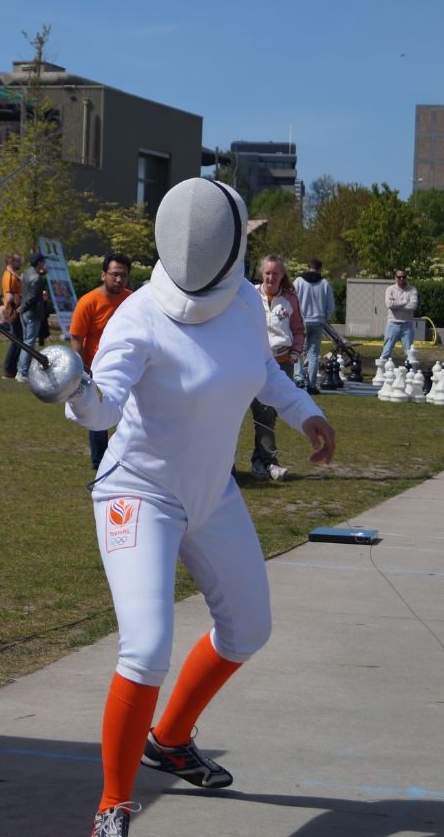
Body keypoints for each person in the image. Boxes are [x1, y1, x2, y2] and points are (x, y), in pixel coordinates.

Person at [65, 178, 335, 836]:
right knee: (146, 647)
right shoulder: (137, 317)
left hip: (212, 494)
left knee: (249, 628)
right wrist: (75, 390)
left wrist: (305, 412)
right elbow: (102, 407)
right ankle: (112, 807)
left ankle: (170, 738)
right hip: (138, 494)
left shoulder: (241, 301)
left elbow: (262, 371)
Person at [69, 253, 133, 470]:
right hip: (97, 369)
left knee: (129, 414)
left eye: (123, 275)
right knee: (98, 416)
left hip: (128, 367)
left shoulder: (132, 301)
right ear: (103, 275)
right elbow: (76, 339)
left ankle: (124, 460)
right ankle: (100, 463)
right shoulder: (88, 302)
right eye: (114, 274)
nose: (119, 279)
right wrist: (83, 370)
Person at [250, 254, 305, 481]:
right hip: (256, 362)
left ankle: (261, 461)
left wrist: (294, 354)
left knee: (270, 413)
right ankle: (268, 461)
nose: (271, 277)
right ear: (261, 273)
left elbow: (299, 329)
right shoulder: (251, 295)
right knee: (261, 411)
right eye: (267, 273)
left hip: (282, 363)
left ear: (282, 275)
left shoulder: (290, 299)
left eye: (275, 273)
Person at [292, 259, 335, 394]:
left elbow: (292, 300)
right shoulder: (325, 284)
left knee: (298, 350)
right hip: (317, 321)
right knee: (314, 354)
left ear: (308, 267)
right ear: (320, 269)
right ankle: (311, 384)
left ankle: (298, 378)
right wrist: (324, 317)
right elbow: (331, 306)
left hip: (302, 320)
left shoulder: (299, 282)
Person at [16, 252, 47, 383]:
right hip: (32, 313)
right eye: (43, 261)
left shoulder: (27, 272)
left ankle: (23, 370)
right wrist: (24, 307)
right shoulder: (37, 278)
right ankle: (22, 372)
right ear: (39, 262)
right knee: (29, 343)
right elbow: (32, 297)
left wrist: (22, 308)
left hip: (24, 312)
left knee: (26, 341)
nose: (44, 264)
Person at [381, 268, 419, 362]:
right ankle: (381, 368)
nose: (401, 279)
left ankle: (410, 370)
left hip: (407, 325)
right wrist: (405, 301)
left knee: (409, 352)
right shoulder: (390, 289)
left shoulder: (412, 289)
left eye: (403, 277)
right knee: (386, 351)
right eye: (399, 277)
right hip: (392, 324)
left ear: (406, 277)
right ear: (395, 277)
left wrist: (396, 304)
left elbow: (413, 306)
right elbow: (389, 305)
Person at [0, 252, 23, 378]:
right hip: (13, 311)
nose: (20, 263)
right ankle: (9, 369)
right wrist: (15, 308)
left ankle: (13, 368)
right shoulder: (8, 276)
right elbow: (9, 296)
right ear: (10, 262)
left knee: (18, 339)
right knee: (16, 340)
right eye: (17, 261)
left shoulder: (14, 276)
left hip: (16, 310)